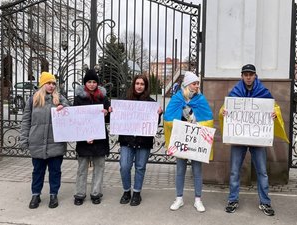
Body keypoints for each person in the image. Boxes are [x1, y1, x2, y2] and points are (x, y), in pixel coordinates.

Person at [222, 64, 276, 216]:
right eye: (245, 74)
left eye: (250, 74)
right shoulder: (235, 91)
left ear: (255, 75)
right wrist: (225, 112)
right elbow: (225, 109)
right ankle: (232, 200)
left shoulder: (263, 91)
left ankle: (265, 202)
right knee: (234, 170)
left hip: (257, 138)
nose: (248, 77)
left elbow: (273, 107)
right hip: (238, 137)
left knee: (262, 171)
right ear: (242, 76)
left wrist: (273, 115)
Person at [164, 71, 214, 212]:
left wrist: (198, 125)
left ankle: (198, 200)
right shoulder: (177, 99)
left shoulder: (201, 99)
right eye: (194, 83)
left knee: (197, 171)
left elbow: (209, 120)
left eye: (198, 83)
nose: (197, 86)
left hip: (196, 141)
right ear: (187, 85)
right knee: (180, 170)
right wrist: (181, 122)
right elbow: (168, 119)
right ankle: (179, 198)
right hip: (182, 141)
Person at [20, 71, 70, 209]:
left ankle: (54, 194)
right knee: (38, 171)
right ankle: (36, 194)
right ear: (43, 84)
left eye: (54, 83)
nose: (52, 86)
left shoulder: (60, 98)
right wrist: (24, 139)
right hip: (37, 142)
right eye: (49, 83)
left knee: (55, 171)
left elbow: (71, 112)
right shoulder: (33, 100)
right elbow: (26, 120)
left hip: (56, 142)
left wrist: (63, 108)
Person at [118, 75, 163, 206]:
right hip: (127, 139)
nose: (139, 86)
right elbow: (116, 117)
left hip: (144, 141)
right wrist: (112, 112)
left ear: (145, 87)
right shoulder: (125, 101)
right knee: (124, 167)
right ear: (133, 85)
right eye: (137, 83)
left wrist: (158, 114)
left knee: (140, 167)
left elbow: (154, 124)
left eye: (142, 84)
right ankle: (127, 191)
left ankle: (137, 193)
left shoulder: (151, 102)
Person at [73, 69, 110, 206]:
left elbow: (110, 118)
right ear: (85, 83)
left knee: (99, 167)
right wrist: (84, 136)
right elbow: (75, 119)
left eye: (94, 82)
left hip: (100, 139)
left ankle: (96, 193)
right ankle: (80, 193)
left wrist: (107, 112)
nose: (92, 84)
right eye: (89, 82)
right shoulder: (78, 99)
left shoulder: (103, 98)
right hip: (84, 139)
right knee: (82, 168)